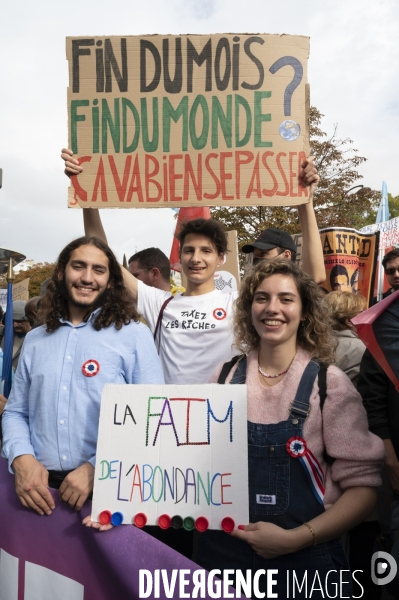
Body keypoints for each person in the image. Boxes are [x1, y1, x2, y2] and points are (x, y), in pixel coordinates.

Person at [196, 260, 384, 598]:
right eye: (261, 298)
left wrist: (296, 538)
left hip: (307, 562)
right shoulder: (222, 377)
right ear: (249, 308)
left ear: (304, 310)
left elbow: (364, 492)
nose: (272, 308)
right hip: (221, 560)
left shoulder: (329, 385)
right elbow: (190, 469)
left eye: (286, 299)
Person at [61, 148, 320, 385]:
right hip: (169, 420)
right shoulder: (159, 303)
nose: (196, 259)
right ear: (180, 257)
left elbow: (313, 277)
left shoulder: (238, 302)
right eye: (189, 250)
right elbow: (102, 255)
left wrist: (305, 202)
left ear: (220, 258)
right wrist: (87, 195)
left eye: (206, 251)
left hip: (224, 422)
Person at [2, 236, 164, 521]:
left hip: (109, 492)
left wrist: (99, 468)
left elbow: (154, 418)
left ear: (111, 280)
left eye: (98, 270)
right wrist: (21, 458)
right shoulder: (36, 339)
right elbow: (16, 411)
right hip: (37, 493)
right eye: (79, 266)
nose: (87, 278)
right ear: (62, 272)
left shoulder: (133, 335)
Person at [241, 160, 326, 284]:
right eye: (256, 256)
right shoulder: (250, 292)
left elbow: (315, 276)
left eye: (264, 253)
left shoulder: (295, 288)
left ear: (286, 255)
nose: (258, 260)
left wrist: (306, 199)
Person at [323, 291, 367, 385]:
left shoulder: (313, 343)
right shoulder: (361, 348)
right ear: (349, 321)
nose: (366, 316)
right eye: (362, 312)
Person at [0, 300, 31, 370]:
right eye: (12, 321)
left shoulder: (37, 339)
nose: (15, 325)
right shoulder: (2, 333)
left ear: (29, 320)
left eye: (19, 321)